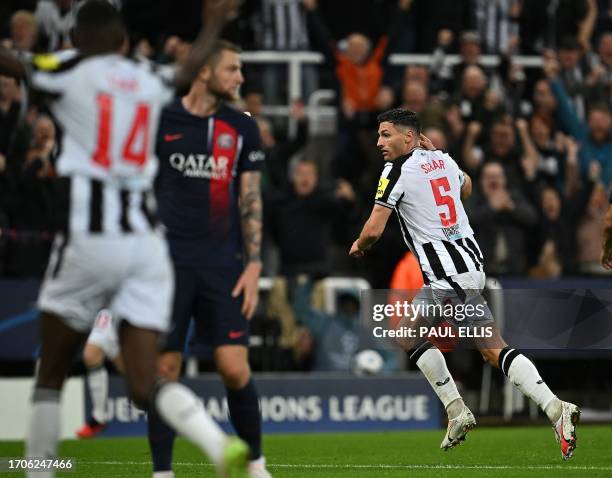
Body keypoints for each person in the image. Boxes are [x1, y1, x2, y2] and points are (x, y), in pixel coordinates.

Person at [0, 1, 251, 477]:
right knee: (144, 380)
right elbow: (186, 72)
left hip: (88, 239)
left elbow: (15, 63)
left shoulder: (66, 70)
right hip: (147, 245)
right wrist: (213, 23)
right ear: (121, 41)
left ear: (75, 39)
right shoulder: (146, 75)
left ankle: (39, 470)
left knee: (51, 370)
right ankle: (217, 445)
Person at [348, 108, 580, 460]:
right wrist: (438, 157)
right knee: (407, 332)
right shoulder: (440, 158)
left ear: (408, 137)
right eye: (379, 135)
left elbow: (375, 228)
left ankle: (554, 408)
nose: (380, 142)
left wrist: (359, 246)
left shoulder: (394, 171)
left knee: (491, 348)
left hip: (449, 276)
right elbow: (467, 186)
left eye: (386, 135)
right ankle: (457, 411)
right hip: (463, 267)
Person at [151, 40, 271, 478]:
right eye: (232, 69)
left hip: (222, 266)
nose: (240, 78)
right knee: (164, 369)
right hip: (166, 267)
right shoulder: (162, 119)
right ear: (204, 72)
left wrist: (255, 265)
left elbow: (251, 200)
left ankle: (255, 464)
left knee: (234, 368)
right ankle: (162, 472)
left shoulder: (241, 127)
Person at [75, 309, 124, 439]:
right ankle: (99, 417)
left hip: (130, 303)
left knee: (130, 370)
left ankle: (163, 407)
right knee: (91, 354)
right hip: (106, 309)